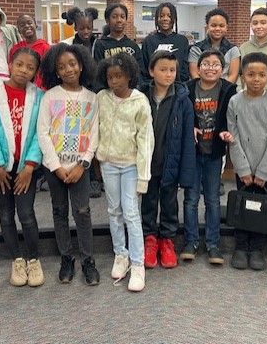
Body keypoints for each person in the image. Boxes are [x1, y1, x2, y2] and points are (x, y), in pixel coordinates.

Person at [0, 47, 46, 289]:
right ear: (10, 64)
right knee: (5, 214)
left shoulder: (39, 97)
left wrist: (29, 166)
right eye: (19, 65)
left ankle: (34, 259)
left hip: (26, 167)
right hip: (0, 170)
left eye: (30, 67)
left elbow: (40, 133)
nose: (23, 71)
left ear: (36, 72)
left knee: (26, 214)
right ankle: (16, 259)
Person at [37, 43, 100, 285]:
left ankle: (87, 260)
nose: (68, 70)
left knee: (82, 213)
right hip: (55, 168)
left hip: (80, 168)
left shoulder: (92, 98)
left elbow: (94, 134)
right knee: (59, 211)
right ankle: (66, 258)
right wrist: (56, 166)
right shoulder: (50, 97)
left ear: (82, 65)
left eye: (72, 64)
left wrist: (82, 164)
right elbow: (43, 132)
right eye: (61, 67)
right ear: (55, 71)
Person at [96, 53, 153, 291]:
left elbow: (146, 140)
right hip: (108, 163)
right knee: (113, 210)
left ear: (129, 75)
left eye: (118, 76)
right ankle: (121, 254)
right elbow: (94, 129)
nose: (114, 82)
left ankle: (138, 264)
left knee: (131, 213)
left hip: (131, 165)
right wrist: (97, 161)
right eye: (110, 77)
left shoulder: (140, 102)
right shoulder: (101, 97)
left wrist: (143, 177)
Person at [139, 50, 196, 269]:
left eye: (172, 70)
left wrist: (185, 171)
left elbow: (187, 138)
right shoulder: (141, 96)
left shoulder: (182, 98)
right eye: (163, 70)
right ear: (151, 71)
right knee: (149, 202)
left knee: (170, 203)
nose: (169, 74)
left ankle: (167, 240)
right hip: (147, 163)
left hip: (170, 162)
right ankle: (150, 239)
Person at [227, 52, 267, 271]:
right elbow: (233, 136)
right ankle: (240, 246)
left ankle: (257, 247)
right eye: (251, 74)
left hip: (264, 171)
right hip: (244, 169)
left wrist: (263, 171)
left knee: (261, 206)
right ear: (242, 76)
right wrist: (242, 168)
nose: (256, 79)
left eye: (261, 75)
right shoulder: (234, 101)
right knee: (242, 206)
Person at [182, 49, 235, 265]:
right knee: (191, 199)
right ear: (198, 67)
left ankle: (213, 243)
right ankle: (191, 241)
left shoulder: (229, 90)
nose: (210, 67)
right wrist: (191, 127)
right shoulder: (187, 88)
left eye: (215, 64)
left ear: (222, 69)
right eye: (206, 63)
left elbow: (234, 115)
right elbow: (183, 115)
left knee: (213, 199)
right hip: (193, 153)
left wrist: (227, 131)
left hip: (214, 153)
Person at [60, 6, 103, 197]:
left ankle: (95, 177)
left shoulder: (99, 44)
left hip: (95, 94)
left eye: (89, 27)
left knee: (94, 135)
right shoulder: (67, 46)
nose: (86, 32)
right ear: (75, 27)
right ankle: (72, 170)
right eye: (82, 28)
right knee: (78, 135)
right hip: (76, 94)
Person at [188, 8, 241, 84]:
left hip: (225, 92)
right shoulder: (195, 49)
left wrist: (222, 91)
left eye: (221, 26)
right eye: (213, 25)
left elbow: (233, 76)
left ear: (226, 28)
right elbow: (195, 75)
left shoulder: (233, 50)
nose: (217, 28)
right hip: (201, 92)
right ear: (207, 27)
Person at [141, 2, 190, 83]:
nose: (165, 19)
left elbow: (184, 70)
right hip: (153, 89)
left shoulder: (182, 41)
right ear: (156, 18)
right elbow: (144, 69)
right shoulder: (149, 41)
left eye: (169, 16)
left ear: (174, 19)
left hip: (177, 88)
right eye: (161, 16)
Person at [93, 3, 144, 74]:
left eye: (122, 17)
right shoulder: (100, 45)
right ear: (107, 21)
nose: (119, 20)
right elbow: (98, 72)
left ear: (126, 20)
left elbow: (140, 71)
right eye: (114, 17)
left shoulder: (133, 46)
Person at [8, 14, 50, 89]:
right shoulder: (15, 49)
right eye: (22, 25)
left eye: (29, 23)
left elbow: (49, 71)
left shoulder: (46, 48)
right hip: (20, 88)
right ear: (19, 30)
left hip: (40, 89)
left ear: (36, 25)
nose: (27, 26)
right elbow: (11, 70)